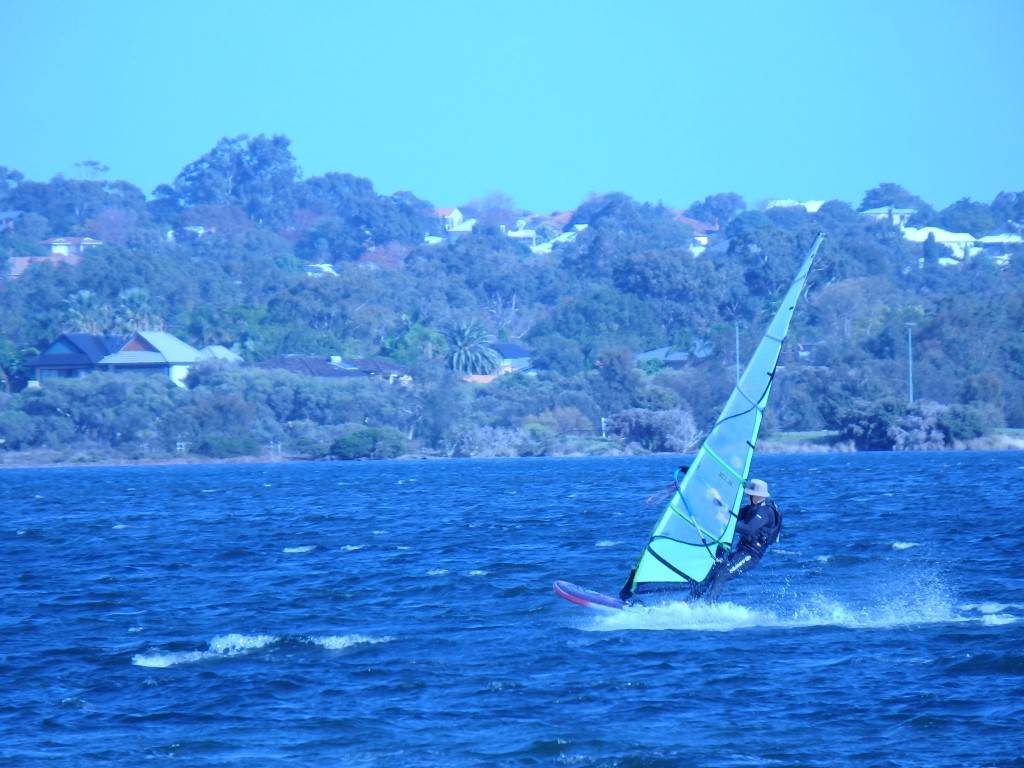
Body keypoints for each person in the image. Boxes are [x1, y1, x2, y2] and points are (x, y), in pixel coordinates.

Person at [691, 478, 782, 602]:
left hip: (751, 555)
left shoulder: (766, 512)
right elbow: (731, 514)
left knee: (721, 575)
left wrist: (726, 521)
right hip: (740, 551)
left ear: (757, 496)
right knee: (713, 571)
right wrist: (715, 500)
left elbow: (748, 529)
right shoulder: (751, 508)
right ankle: (688, 602)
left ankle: (708, 604)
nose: (747, 496)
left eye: (749, 494)